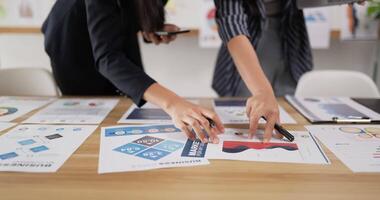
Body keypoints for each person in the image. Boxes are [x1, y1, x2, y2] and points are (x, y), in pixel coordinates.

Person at [42, 0, 224, 143]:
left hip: (113, 31)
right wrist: (173, 103)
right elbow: (108, 59)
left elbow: (131, 7)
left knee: (128, 103)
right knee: (91, 118)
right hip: (72, 38)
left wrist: (148, 27)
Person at [212, 0, 365, 142]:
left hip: (291, 41)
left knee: (289, 111)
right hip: (245, 48)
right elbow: (230, 22)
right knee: (247, 109)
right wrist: (262, 91)